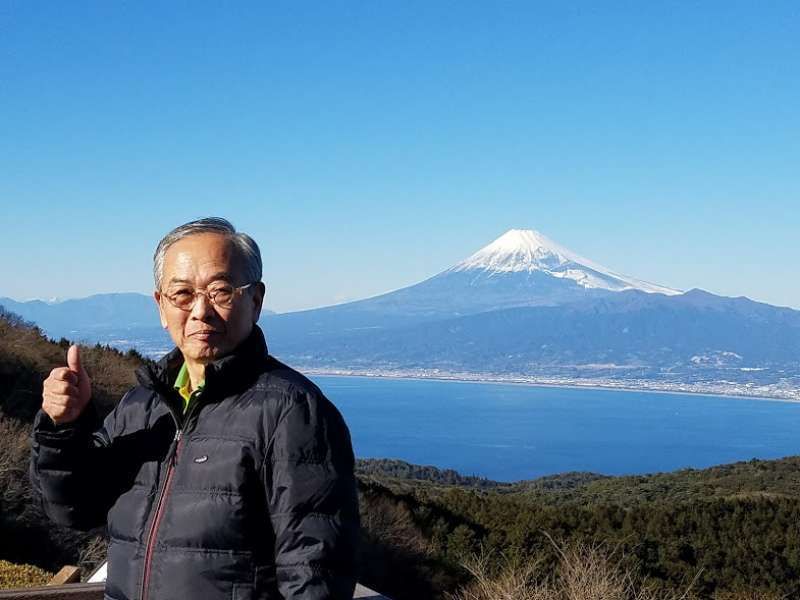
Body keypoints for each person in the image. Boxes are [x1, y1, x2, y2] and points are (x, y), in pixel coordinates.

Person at [30, 217, 360, 600]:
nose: (200, 311)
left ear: (255, 300)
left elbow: (315, 571)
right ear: (160, 305)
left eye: (220, 291)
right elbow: (74, 509)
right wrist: (64, 429)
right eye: (182, 295)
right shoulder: (142, 405)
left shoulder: (292, 411)